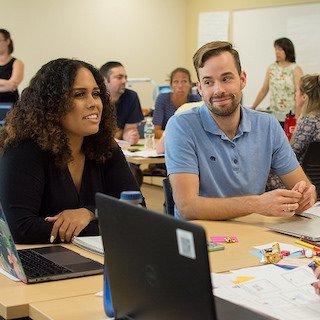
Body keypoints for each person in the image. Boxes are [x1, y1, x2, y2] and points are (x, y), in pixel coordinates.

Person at [165, 41, 316, 220]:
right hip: (204, 237)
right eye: (208, 82)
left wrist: (306, 196)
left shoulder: (268, 125)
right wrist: (257, 203)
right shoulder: (181, 126)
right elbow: (188, 207)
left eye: (226, 78)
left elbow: (302, 187)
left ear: (242, 79)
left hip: (256, 234)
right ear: (200, 88)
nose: (218, 90)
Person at [0, 58, 142, 244]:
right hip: (34, 259)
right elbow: (21, 229)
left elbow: (136, 211)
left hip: (89, 256)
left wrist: (89, 213)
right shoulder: (23, 148)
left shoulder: (105, 146)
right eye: (79, 94)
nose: (94, 103)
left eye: (96, 93)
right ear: (52, 104)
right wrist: (107, 223)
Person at [267, 74, 320, 190]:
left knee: (265, 170)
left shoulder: (308, 121)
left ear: (304, 97)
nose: (294, 96)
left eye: (296, 92)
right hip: (314, 179)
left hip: (301, 180)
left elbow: (288, 155)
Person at [252, 38, 303, 124]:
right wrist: (253, 107)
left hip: (290, 116)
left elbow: (299, 94)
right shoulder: (272, 68)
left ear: (288, 51)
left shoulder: (295, 69)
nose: (277, 52)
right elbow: (264, 90)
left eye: (280, 49)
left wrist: (297, 117)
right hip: (274, 115)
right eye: (276, 49)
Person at [100, 61, 143, 145]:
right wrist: (118, 133)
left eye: (125, 77)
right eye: (119, 77)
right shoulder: (95, 98)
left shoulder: (131, 97)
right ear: (104, 80)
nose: (124, 81)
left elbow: (129, 129)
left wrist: (130, 136)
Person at [152, 67, 201, 139]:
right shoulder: (162, 99)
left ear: (190, 84)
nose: (180, 86)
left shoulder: (196, 100)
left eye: (184, 81)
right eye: (176, 82)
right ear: (171, 85)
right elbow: (156, 132)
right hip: (168, 141)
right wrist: (179, 136)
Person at [0, 29, 24, 104]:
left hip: (10, 105)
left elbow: (12, 86)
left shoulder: (17, 63)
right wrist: (5, 83)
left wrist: (8, 84)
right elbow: (9, 85)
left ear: (7, 41)